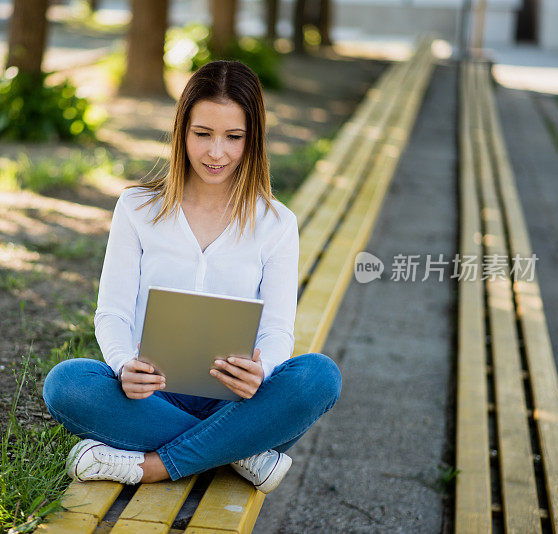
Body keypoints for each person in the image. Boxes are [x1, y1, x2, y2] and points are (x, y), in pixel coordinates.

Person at [43, 60, 341, 494]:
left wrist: (263, 371)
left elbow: (277, 328)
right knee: (66, 384)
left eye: (233, 137)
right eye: (203, 134)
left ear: (252, 140)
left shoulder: (276, 223)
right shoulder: (137, 209)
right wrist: (124, 364)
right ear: (182, 131)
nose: (216, 153)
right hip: (150, 395)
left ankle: (152, 467)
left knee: (319, 376)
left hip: (239, 398)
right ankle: (240, 450)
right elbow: (112, 312)